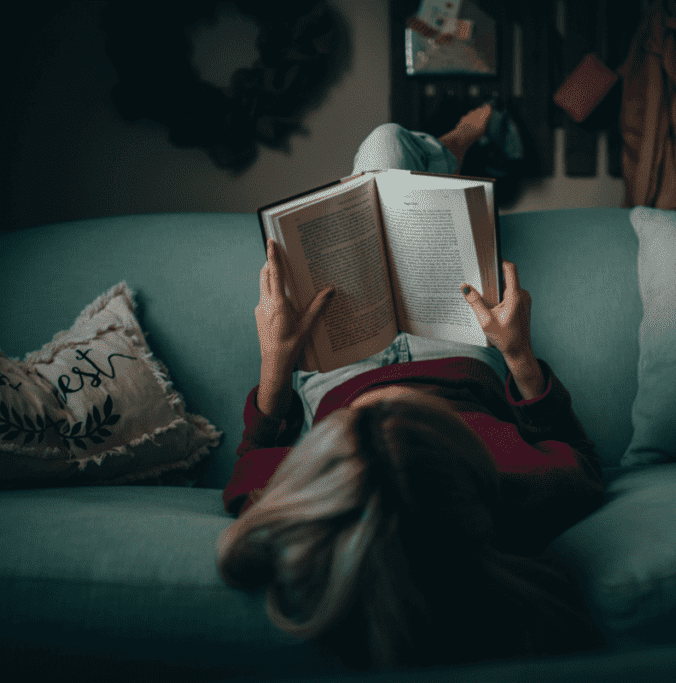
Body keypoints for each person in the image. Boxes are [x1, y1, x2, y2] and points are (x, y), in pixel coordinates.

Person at [216, 108, 606, 670]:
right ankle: (454, 146)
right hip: (451, 350)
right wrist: (517, 352)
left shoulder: (302, 509)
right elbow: (582, 457)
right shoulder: (521, 491)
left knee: (374, 170)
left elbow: (252, 459)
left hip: (338, 366)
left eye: (361, 426)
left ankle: (448, 149)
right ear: (458, 466)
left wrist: (275, 363)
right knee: (387, 154)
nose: (390, 404)